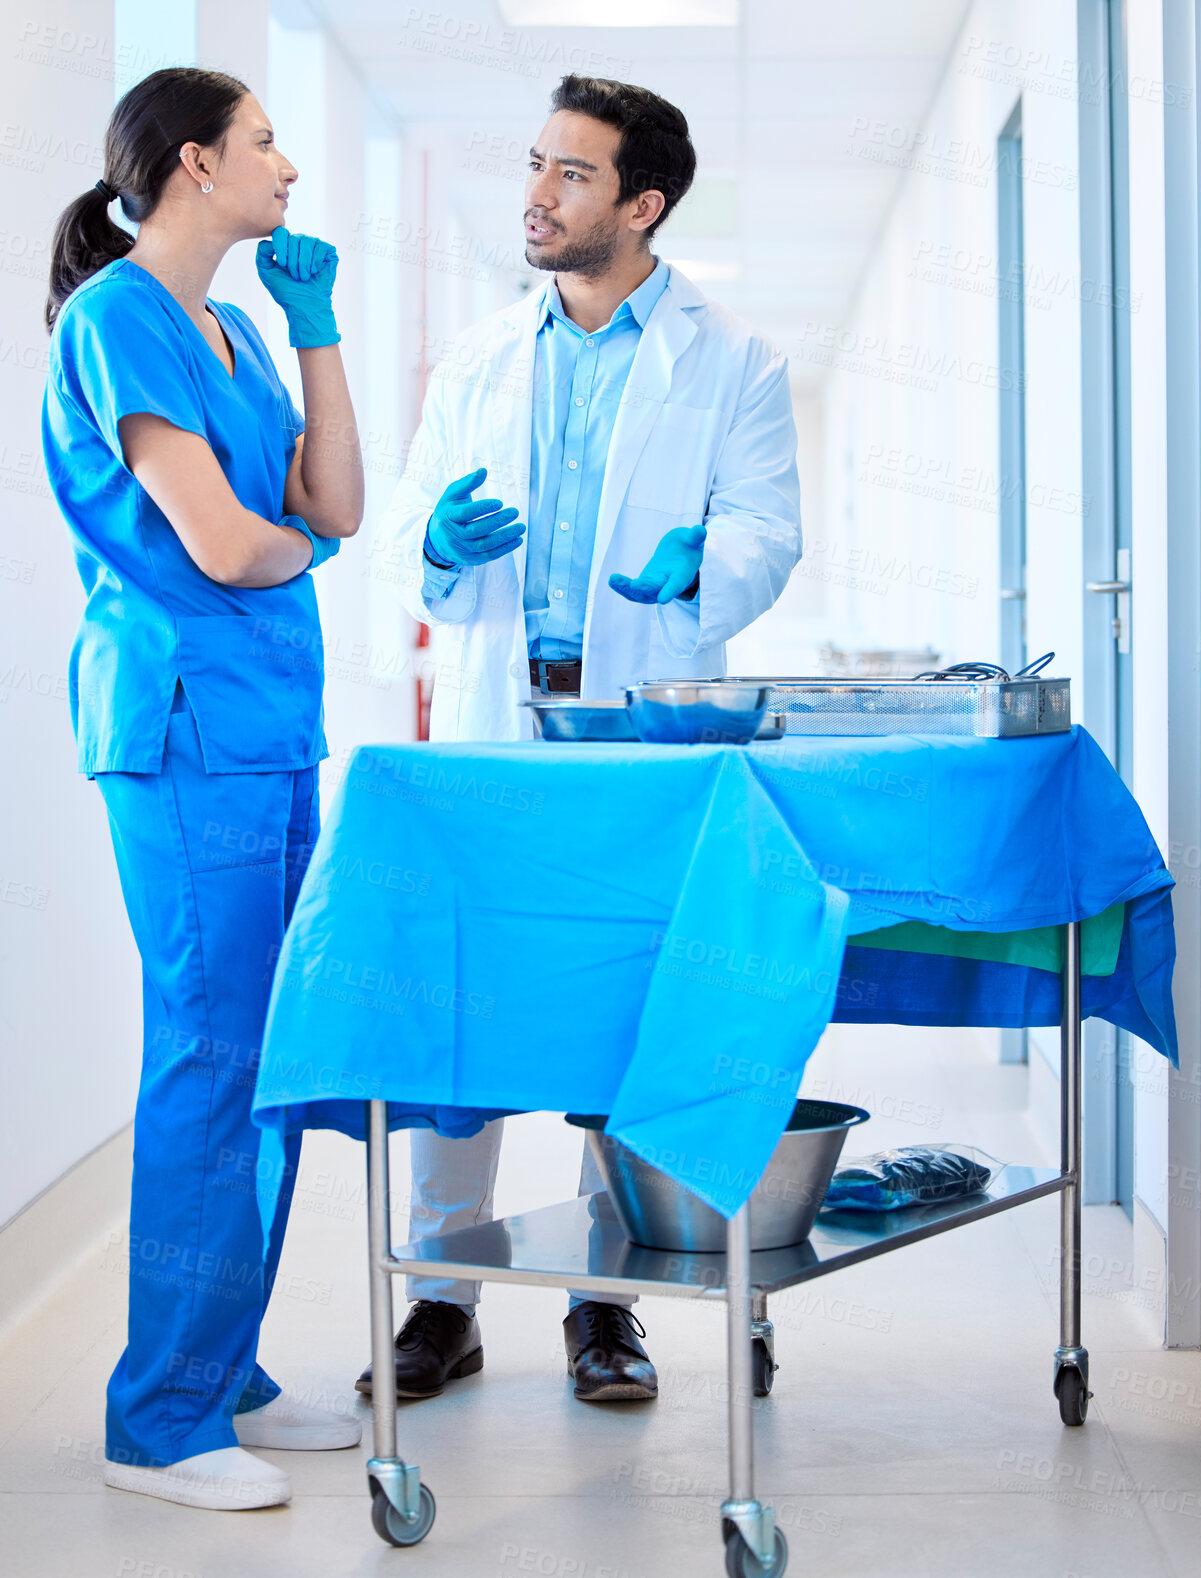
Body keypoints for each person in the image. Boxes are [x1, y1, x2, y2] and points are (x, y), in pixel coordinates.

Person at [368, 75, 801, 1407]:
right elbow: (403, 534)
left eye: (570, 174)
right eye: (537, 165)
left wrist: (696, 572)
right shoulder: (481, 357)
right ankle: (443, 1297)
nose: (536, 195)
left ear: (642, 203)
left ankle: (603, 1303)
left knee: (625, 1004)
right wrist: (434, 548)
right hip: (501, 719)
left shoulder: (732, 361)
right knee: (470, 1005)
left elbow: (766, 533)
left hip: (639, 731)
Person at [41, 67, 364, 1511]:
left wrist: (319, 335)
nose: (286, 169)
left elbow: (333, 504)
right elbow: (235, 547)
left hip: (268, 727)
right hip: (180, 730)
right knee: (208, 1053)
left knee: (271, 1054)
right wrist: (299, 547)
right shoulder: (114, 318)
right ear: (193, 163)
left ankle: (220, 1363)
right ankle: (160, 1418)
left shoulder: (229, 330)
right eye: (265, 142)